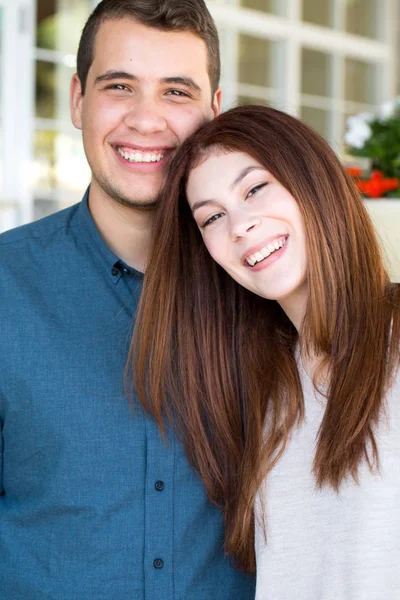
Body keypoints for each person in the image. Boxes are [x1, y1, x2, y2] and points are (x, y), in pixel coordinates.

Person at [0, 2, 256, 598]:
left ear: (214, 112)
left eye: (176, 92)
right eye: (119, 85)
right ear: (76, 101)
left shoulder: (271, 287)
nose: (146, 121)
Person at [134, 104, 400, 600]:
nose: (239, 225)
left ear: (312, 180)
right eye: (211, 216)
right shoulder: (268, 390)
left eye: (255, 188)